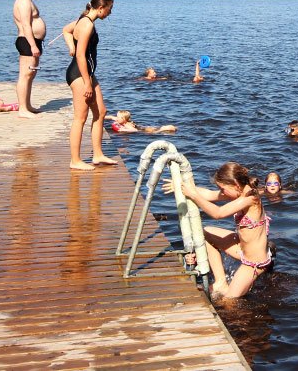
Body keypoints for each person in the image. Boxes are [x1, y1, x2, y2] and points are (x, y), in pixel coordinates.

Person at [181, 162, 273, 299]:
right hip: (241, 248)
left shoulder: (250, 198)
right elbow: (210, 194)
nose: (222, 192)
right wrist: (181, 186)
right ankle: (220, 283)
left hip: (254, 262)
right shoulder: (239, 192)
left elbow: (218, 213)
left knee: (228, 301)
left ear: (235, 184)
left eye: (223, 189)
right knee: (205, 234)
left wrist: (193, 196)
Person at [63, 0, 117, 171]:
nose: (110, 13)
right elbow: (80, 55)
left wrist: (71, 44)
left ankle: (98, 154)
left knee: (101, 111)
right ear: (101, 8)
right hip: (79, 74)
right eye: (109, 9)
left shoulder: (85, 20)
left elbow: (66, 30)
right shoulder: (86, 25)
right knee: (80, 117)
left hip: (87, 73)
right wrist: (87, 82)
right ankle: (75, 160)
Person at [13, 0, 45, 117]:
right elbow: (26, 25)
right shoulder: (24, 2)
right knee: (25, 75)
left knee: (31, 74)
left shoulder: (27, 0)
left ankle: (27, 105)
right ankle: (22, 109)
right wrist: (33, 45)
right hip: (27, 42)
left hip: (33, 42)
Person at [109, 110, 176, 134]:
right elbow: (111, 117)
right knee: (154, 128)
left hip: (142, 130)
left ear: (124, 119)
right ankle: (164, 128)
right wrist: (102, 116)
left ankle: (163, 129)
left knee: (155, 132)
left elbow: (135, 130)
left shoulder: (127, 125)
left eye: (118, 117)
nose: (116, 118)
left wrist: (123, 130)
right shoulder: (123, 121)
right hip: (142, 127)